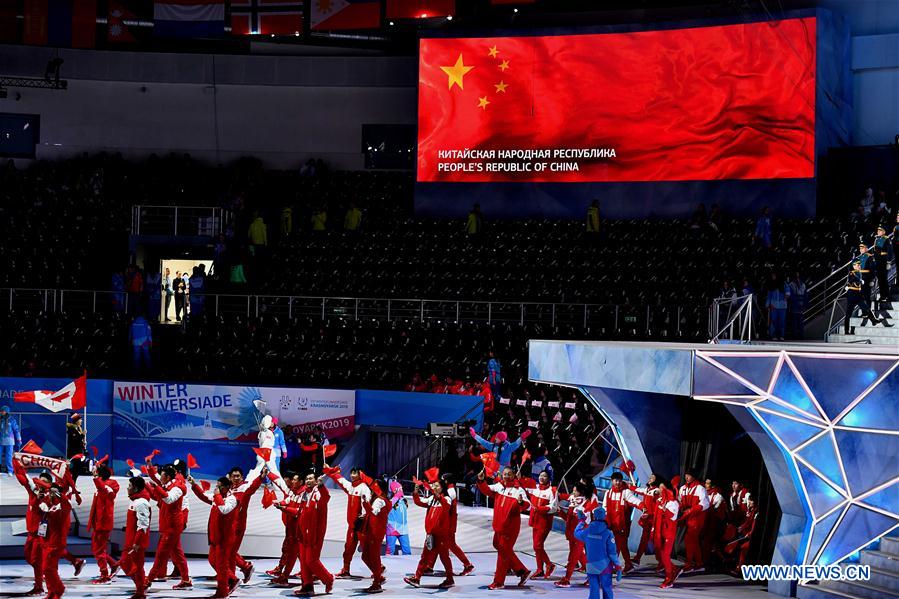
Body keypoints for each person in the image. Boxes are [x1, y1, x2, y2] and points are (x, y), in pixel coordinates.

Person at [477, 466, 531, 589]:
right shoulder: (499, 486)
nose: (506, 476)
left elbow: (528, 506)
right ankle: (522, 570)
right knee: (497, 545)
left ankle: (499, 582)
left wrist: (521, 503)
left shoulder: (518, 490)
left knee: (503, 553)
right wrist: (481, 480)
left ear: (514, 475)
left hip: (510, 528)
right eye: (505, 474)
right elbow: (486, 490)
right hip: (498, 525)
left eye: (509, 474)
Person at [189, 474, 240, 598]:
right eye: (216, 486)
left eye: (219, 486)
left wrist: (217, 496)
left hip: (224, 537)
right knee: (212, 560)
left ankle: (222, 592)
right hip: (215, 536)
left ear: (227, 487)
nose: (216, 488)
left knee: (222, 566)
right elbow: (203, 496)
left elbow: (224, 510)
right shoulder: (217, 497)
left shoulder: (232, 499)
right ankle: (233, 579)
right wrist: (194, 484)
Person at [144, 464, 191, 590]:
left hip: (172, 526)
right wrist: (147, 486)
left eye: (162, 475)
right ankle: (186, 580)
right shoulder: (167, 485)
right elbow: (158, 497)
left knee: (161, 553)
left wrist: (156, 487)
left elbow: (169, 499)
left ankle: (148, 580)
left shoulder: (178, 487)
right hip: (168, 524)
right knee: (178, 554)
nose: (160, 477)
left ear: (168, 477)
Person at [404, 477, 455, 589]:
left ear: (442, 488)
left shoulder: (447, 499)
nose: (434, 487)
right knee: (424, 557)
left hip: (441, 535)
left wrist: (438, 496)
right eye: (434, 486)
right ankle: (417, 578)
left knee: (444, 557)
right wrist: (416, 492)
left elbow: (446, 506)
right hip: (431, 534)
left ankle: (450, 579)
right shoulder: (432, 499)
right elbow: (418, 502)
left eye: (437, 486)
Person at [13, 459, 55, 595]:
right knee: (29, 557)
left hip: (41, 535)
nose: (40, 483)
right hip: (30, 533)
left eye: (43, 481)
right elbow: (22, 478)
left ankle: (39, 587)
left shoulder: (51, 496)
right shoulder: (33, 492)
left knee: (36, 560)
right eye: (39, 480)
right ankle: (42, 573)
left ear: (48, 484)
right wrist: (16, 461)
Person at [326, 464, 372, 578]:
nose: (351, 475)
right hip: (352, 525)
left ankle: (378, 570)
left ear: (361, 474)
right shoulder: (351, 486)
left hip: (361, 526)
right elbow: (339, 479)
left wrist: (364, 516)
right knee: (348, 548)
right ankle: (346, 570)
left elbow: (368, 505)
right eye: (351, 473)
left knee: (367, 551)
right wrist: (329, 469)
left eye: (354, 473)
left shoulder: (364, 488)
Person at [574, 506, 622, 599]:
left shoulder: (587, 531)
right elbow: (612, 552)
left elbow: (576, 533)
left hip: (591, 565)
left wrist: (581, 521)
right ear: (604, 516)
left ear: (594, 516)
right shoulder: (608, 533)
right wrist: (618, 566)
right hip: (605, 566)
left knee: (594, 589)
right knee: (607, 588)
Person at [39, 483, 76, 599]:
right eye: (50, 492)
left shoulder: (63, 506)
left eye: (53, 492)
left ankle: (59, 589)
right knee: (50, 569)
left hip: (56, 543)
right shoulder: (49, 505)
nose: (50, 494)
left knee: (47, 568)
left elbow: (67, 505)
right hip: (47, 541)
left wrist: (58, 494)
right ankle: (51, 592)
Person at [228, 465, 264, 584]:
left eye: (238, 476)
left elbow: (253, 487)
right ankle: (240, 570)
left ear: (242, 477)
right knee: (229, 551)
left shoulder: (245, 487)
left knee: (230, 552)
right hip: (228, 525)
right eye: (234, 476)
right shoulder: (229, 489)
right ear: (230, 477)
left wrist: (261, 477)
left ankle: (235, 574)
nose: (236, 478)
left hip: (238, 525)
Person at [119, 475, 152, 599]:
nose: (128, 488)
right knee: (125, 563)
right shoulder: (134, 500)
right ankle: (142, 585)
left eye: (130, 486)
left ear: (136, 488)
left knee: (137, 567)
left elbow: (143, 525)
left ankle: (140, 593)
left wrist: (137, 542)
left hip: (136, 542)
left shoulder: (141, 503)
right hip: (130, 540)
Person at [602, 472, 642, 573]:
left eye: (619, 480)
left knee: (618, 545)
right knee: (621, 545)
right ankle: (627, 564)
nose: (618, 482)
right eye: (616, 480)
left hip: (622, 525)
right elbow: (604, 507)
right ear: (612, 481)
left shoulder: (626, 492)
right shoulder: (608, 493)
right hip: (611, 525)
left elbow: (634, 500)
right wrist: (605, 521)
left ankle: (613, 565)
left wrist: (642, 506)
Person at [88, 463, 120, 585]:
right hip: (97, 522)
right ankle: (114, 564)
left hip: (104, 523)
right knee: (97, 549)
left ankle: (104, 576)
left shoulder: (111, 485)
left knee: (98, 550)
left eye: (96, 472)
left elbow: (104, 490)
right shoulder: (101, 485)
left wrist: (96, 478)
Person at [359, 478, 391, 593]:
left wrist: (365, 503)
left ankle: (377, 583)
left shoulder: (380, 500)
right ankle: (379, 576)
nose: (372, 487)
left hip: (375, 533)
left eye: (375, 485)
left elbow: (374, 512)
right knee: (365, 556)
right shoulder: (378, 498)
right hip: (371, 531)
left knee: (374, 557)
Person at [524, 470, 557, 579]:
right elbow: (523, 487)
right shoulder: (535, 488)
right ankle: (540, 569)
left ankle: (549, 564)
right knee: (537, 547)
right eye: (540, 476)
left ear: (549, 478)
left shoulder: (552, 490)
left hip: (544, 522)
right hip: (535, 521)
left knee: (537, 546)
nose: (541, 478)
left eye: (544, 476)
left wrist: (540, 509)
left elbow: (553, 507)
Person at [678, 470, 710, 573]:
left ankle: (689, 564)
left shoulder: (700, 488)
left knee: (689, 539)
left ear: (694, 477)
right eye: (686, 475)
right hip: (687, 517)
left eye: (689, 475)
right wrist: (681, 507)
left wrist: (691, 510)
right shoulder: (682, 488)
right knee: (694, 541)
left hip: (697, 517)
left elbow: (705, 503)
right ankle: (699, 564)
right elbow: (680, 501)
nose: (686, 477)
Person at [844, 261, 886, 334]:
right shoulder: (852, 273)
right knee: (848, 314)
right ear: (854, 266)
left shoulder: (859, 273)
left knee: (866, 308)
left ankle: (874, 320)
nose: (859, 266)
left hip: (858, 294)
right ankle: (846, 331)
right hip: (852, 295)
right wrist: (860, 281)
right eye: (858, 265)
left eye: (859, 265)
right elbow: (852, 279)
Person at [655, 478, 680, 588]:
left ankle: (669, 578)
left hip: (669, 533)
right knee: (661, 555)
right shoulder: (660, 500)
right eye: (659, 487)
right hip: (660, 532)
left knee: (665, 555)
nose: (660, 489)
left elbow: (673, 517)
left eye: (662, 488)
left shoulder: (673, 503)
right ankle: (674, 569)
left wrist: (665, 510)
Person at [632, 475, 659, 566]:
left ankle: (663, 562)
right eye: (650, 477)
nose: (650, 479)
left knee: (656, 541)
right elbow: (636, 489)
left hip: (654, 520)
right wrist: (628, 486)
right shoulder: (647, 490)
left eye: (652, 478)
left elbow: (658, 497)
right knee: (644, 539)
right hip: (647, 520)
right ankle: (637, 558)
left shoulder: (656, 491)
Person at [703, 479, 727, 569]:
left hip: (716, 524)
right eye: (705, 483)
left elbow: (713, 509)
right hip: (707, 522)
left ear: (712, 485)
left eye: (707, 483)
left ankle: (720, 562)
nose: (705, 485)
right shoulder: (705, 494)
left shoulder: (718, 496)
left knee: (713, 544)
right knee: (707, 543)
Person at [385, 480, 411, 555]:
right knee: (390, 551)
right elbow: (389, 507)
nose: (401, 490)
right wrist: (396, 497)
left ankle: (407, 562)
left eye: (401, 488)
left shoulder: (403, 500)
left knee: (407, 551)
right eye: (399, 489)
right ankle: (388, 562)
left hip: (403, 530)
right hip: (392, 529)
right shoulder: (390, 501)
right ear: (394, 490)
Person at [874, 225, 894, 306]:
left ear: (884, 232)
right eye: (878, 230)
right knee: (880, 280)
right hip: (878, 262)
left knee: (884, 279)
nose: (878, 231)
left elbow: (890, 251)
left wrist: (889, 262)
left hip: (884, 260)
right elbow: (875, 251)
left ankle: (887, 296)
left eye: (880, 230)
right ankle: (883, 296)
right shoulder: (876, 239)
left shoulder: (887, 239)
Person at [0, 404, 21, 474]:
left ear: (6, 412)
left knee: (9, 456)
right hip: (1, 440)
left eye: (2, 411)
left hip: (9, 441)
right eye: (1, 411)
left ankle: (10, 470)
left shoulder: (12, 420)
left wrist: (19, 439)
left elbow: (16, 430)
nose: (1, 412)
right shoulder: (0, 420)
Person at [766, 275, 788, 340]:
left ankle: (782, 335)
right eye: (772, 276)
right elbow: (769, 296)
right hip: (774, 306)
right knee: (773, 321)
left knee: (782, 321)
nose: (773, 277)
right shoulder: (771, 284)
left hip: (782, 306)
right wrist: (768, 305)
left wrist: (786, 295)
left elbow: (788, 294)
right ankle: (773, 335)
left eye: (774, 276)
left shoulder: (784, 284)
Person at [786, 273, 807, 339]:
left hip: (801, 305)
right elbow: (791, 296)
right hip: (794, 305)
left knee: (800, 321)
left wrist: (804, 305)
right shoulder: (791, 285)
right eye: (796, 276)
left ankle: (801, 334)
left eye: (798, 276)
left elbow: (805, 295)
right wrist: (796, 304)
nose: (797, 278)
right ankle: (794, 335)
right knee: (794, 321)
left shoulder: (803, 285)